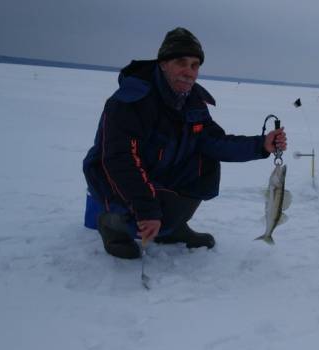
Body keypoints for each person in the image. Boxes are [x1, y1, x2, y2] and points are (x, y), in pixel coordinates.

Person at [83, 27, 287, 259]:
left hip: (155, 172)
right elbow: (120, 160)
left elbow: (215, 141)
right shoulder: (130, 102)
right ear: (163, 63)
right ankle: (112, 224)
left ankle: (171, 227)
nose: (189, 72)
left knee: (206, 164)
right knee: (136, 198)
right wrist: (147, 209)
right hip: (113, 178)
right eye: (181, 62)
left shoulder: (192, 102)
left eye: (195, 65)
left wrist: (261, 145)